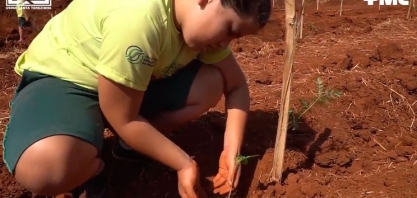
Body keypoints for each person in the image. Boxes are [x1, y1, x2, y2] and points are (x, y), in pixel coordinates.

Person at [2, 0, 272, 197]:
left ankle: (127, 146)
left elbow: (236, 86)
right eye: (229, 30)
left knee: (211, 83)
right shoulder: (139, 17)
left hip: (124, 91)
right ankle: (94, 166)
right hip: (66, 79)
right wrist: (183, 163)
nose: (225, 45)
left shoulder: (199, 29)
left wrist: (231, 151)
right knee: (45, 168)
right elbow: (125, 118)